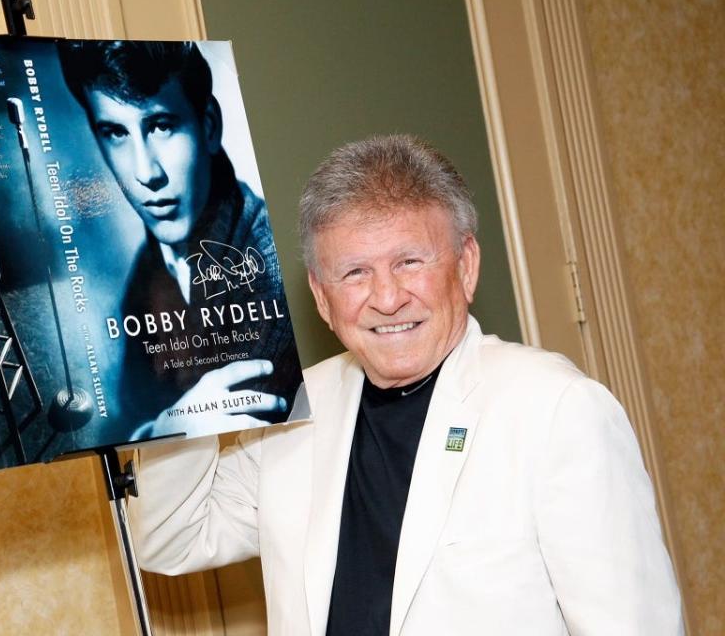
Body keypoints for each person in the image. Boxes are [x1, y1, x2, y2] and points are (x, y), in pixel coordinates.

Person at [128, 135, 684, 635]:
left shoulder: (555, 409)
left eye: (410, 262)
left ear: (465, 266)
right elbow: (174, 540)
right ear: (321, 297)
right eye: (354, 273)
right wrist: (194, 402)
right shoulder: (296, 406)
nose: (387, 298)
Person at [58, 41, 303, 439]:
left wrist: (159, 431)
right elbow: (129, 411)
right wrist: (162, 427)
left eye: (161, 125)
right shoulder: (152, 260)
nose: (145, 172)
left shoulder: (267, 267)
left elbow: (235, 445)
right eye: (116, 132)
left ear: (208, 125)